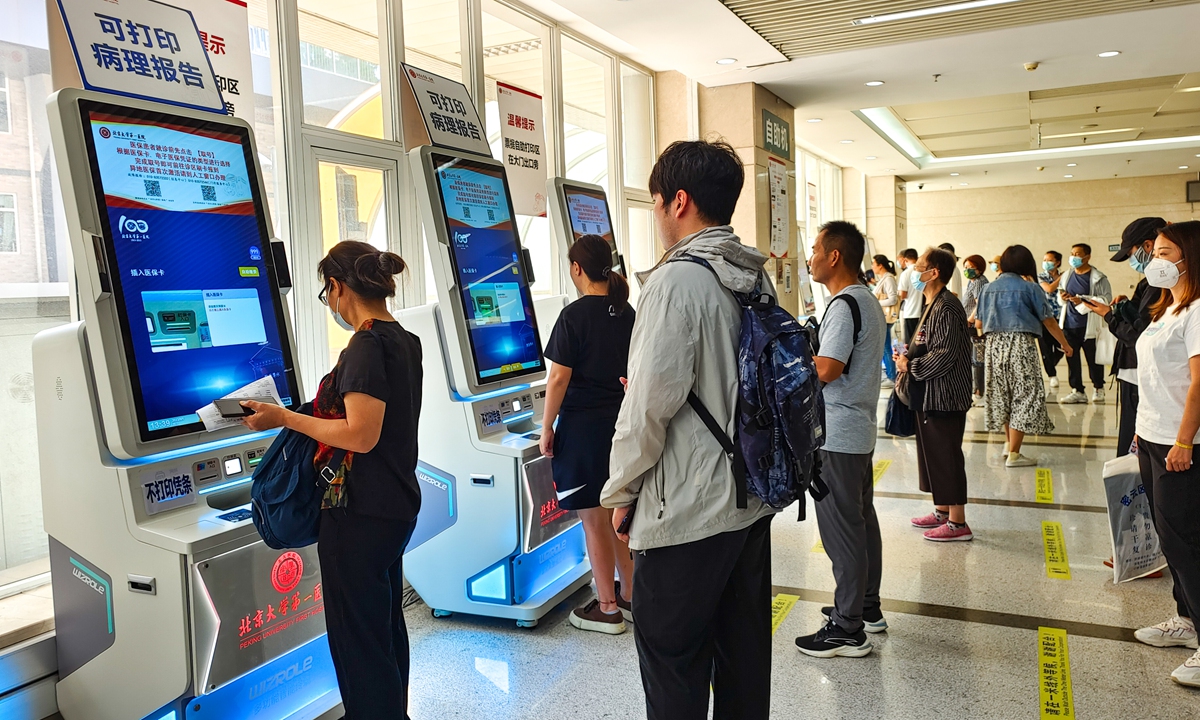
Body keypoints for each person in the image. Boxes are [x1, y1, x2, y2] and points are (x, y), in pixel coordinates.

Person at [601, 139, 777, 720]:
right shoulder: (753, 275)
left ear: (678, 201)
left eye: (654, 204)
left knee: (673, 664)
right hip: (750, 499)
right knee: (744, 659)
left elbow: (648, 409)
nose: (655, 218)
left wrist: (620, 492)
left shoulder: (677, 282)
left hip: (687, 512)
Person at [241, 241, 422, 720]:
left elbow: (360, 434)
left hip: (358, 511)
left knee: (356, 639)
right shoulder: (404, 339)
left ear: (338, 287)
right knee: (382, 627)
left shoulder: (365, 344)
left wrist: (284, 418)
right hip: (395, 505)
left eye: (328, 292)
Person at [795, 220, 888, 658]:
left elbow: (828, 368)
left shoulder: (845, 303)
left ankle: (848, 628)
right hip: (858, 431)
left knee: (841, 529)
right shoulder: (865, 300)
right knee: (860, 520)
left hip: (837, 434)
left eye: (814, 249)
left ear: (834, 256)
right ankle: (866, 607)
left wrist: (791, 366)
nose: (810, 256)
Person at [540, 234, 637, 634]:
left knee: (593, 519)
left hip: (582, 429)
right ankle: (631, 597)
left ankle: (607, 607)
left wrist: (547, 426)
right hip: (621, 425)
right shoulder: (627, 313)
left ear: (577, 269)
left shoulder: (574, 316)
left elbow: (559, 377)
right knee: (618, 516)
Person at [1130, 219, 1200, 688]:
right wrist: (1143, 431)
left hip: (1183, 443)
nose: (1157, 260)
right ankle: (1187, 621)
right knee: (1169, 536)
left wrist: (1181, 440)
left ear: (1190, 256)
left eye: (1165, 251)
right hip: (1152, 435)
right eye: (1155, 251)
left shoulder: (1198, 312)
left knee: (1186, 541)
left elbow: (1198, 383)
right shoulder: (1166, 309)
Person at [899, 248, 974, 541]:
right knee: (933, 456)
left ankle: (958, 523)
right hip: (928, 393)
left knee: (946, 456)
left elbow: (945, 355)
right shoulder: (932, 302)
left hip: (944, 395)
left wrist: (911, 364)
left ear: (935, 272)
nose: (915, 272)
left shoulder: (947, 306)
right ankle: (942, 510)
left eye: (920, 267)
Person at [976, 245, 1073, 467]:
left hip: (993, 345)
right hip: (1021, 344)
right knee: (1024, 394)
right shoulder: (1031, 288)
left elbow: (979, 323)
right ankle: (1015, 454)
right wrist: (1065, 345)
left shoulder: (988, 289)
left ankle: (1008, 445)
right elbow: (1049, 321)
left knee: (1002, 394)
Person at [1080, 218, 1166, 456]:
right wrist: (1126, 307)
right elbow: (1142, 319)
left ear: (1149, 246)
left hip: (1141, 373)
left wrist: (1109, 315)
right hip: (1134, 371)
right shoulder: (1151, 281)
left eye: (1132, 253)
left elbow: (1141, 335)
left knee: (1136, 444)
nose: (1132, 260)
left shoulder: (1163, 284)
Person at [1056, 243, 1112, 404]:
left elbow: (1106, 299)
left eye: (1078, 254)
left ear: (1087, 257)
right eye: (1072, 253)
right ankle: (1077, 390)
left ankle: (1098, 388)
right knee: (1072, 359)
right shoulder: (1067, 275)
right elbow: (1059, 296)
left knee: (1093, 358)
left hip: (1089, 324)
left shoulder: (1098, 278)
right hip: (1069, 324)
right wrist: (1064, 297)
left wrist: (1083, 300)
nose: (1073, 257)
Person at [962, 254, 990, 407]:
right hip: (970, 325)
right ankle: (976, 391)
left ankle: (979, 393)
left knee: (977, 359)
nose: (967, 270)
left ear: (979, 269)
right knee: (974, 359)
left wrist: (970, 319)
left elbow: (980, 304)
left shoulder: (979, 282)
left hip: (973, 326)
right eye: (965, 267)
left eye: (971, 267)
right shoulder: (972, 282)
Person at [1038, 251, 1065, 389]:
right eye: (1044, 259)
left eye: (1049, 260)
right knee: (1046, 347)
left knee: (1062, 346)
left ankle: (1050, 364)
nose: (1046, 262)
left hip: (1061, 316)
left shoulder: (1065, 276)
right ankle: (1052, 375)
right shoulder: (1041, 276)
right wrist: (1062, 278)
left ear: (1057, 262)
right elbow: (1048, 289)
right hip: (1045, 316)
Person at [873, 254, 899, 387]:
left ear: (880, 265)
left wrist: (876, 301)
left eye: (873, 263)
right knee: (884, 346)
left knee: (885, 347)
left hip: (886, 317)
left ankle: (891, 376)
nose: (872, 266)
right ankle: (890, 374)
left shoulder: (888, 279)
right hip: (882, 317)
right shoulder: (883, 279)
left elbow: (893, 299)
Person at [898, 248, 923, 343]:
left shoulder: (905, 274)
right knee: (920, 342)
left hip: (910, 312)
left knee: (910, 342)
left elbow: (903, 295)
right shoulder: (923, 271)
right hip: (922, 312)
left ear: (905, 260)